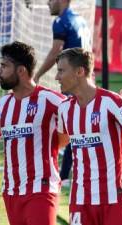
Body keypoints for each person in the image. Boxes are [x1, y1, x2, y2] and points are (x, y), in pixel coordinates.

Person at [0, 41, 66, 225]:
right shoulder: (2, 106)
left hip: (41, 189)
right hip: (11, 191)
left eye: (4, 66)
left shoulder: (51, 100)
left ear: (21, 71)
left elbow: (81, 117)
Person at [55, 48, 122, 225]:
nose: (57, 77)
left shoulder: (112, 102)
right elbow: (59, 143)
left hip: (114, 200)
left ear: (80, 72)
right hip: (80, 202)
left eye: (61, 71)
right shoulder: (65, 109)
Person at [34, 0, 92, 184]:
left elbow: (55, 52)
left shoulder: (61, 22)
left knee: (72, 127)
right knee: (81, 127)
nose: (48, 3)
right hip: (85, 80)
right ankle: (75, 172)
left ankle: (65, 176)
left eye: (51, 0)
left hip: (73, 81)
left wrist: (37, 76)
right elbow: (88, 54)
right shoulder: (81, 21)